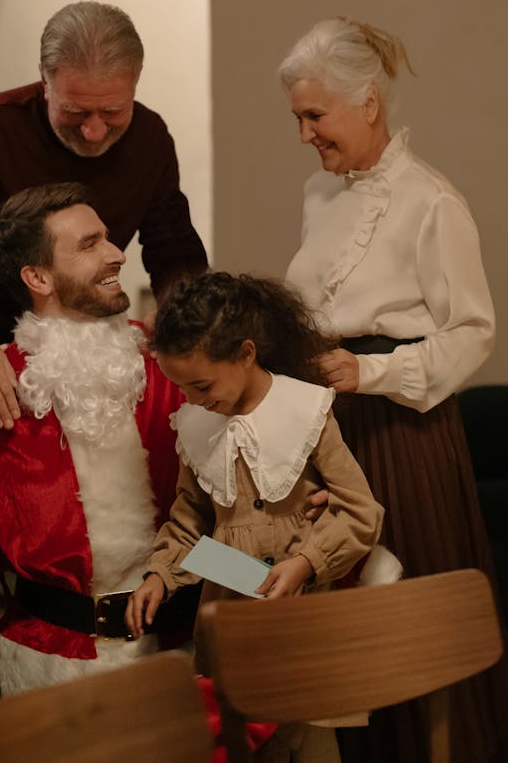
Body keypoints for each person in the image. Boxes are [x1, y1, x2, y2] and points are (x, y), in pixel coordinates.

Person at [278, 17, 507, 763]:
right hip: (329, 421)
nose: (306, 133)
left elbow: (473, 330)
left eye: (316, 115)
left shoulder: (431, 202)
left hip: (402, 436)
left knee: (404, 616)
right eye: (298, 117)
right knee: (337, 628)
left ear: (369, 102)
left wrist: (370, 371)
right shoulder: (319, 193)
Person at [126, 272, 383, 762]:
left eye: (202, 384)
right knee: (244, 743)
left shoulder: (304, 410)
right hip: (233, 613)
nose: (194, 399)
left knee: (311, 744)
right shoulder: (196, 423)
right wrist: (161, 574)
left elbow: (359, 509)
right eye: (181, 388)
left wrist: (307, 562)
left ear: (245, 354)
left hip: (304, 613)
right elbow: (189, 522)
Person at [0, 1, 207, 426]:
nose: (93, 130)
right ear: (45, 80)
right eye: (74, 112)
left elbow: (174, 250)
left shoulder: (150, 139)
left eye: (112, 112)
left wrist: (178, 316)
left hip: (90, 356)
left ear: (135, 85)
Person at [0, 181, 199, 694]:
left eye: (109, 238)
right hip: (46, 668)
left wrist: (263, 574)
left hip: (179, 653)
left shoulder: (177, 368)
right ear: (37, 276)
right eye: (89, 244)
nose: (118, 255)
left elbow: (220, 522)